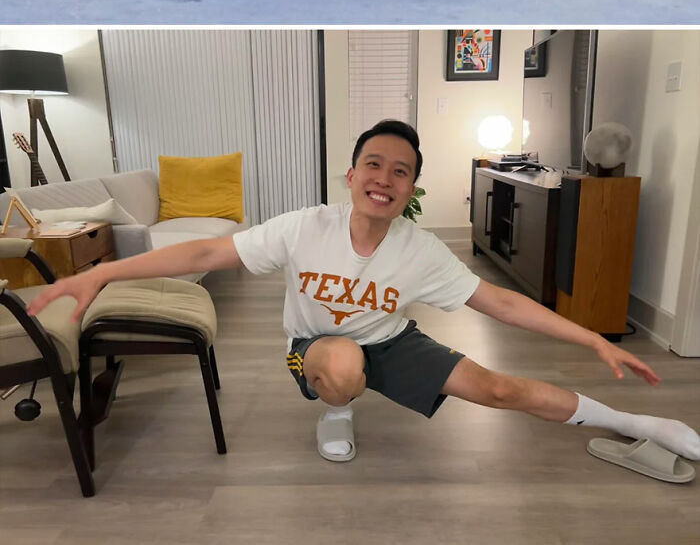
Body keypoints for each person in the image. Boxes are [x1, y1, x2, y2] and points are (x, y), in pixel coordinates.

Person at [27, 118, 700, 468]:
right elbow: (205, 251)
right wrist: (96, 273)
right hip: (309, 354)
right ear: (351, 175)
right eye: (373, 163)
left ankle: (638, 423)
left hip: (391, 342)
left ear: (410, 190)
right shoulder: (304, 227)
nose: (385, 176)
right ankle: (336, 410)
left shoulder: (419, 249)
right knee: (341, 361)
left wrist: (588, 335)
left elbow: (501, 303)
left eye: (401, 170)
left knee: (501, 389)